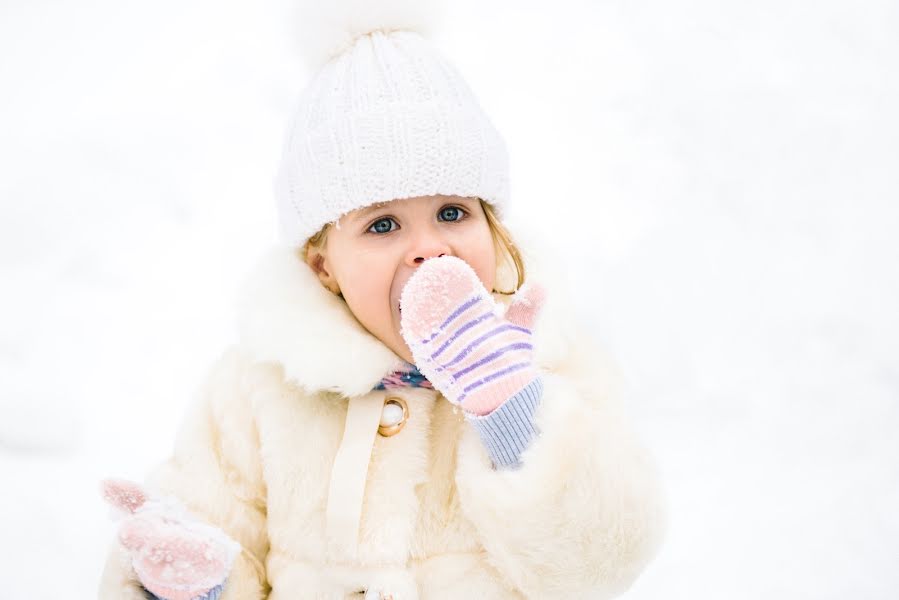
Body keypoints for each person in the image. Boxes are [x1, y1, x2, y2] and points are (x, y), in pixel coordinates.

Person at [98, 7, 666, 600]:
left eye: (453, 213)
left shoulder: (555, 365)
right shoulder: (257, 387)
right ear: (324, 266)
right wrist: (193, 581)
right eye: (383, 225)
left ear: (493, 227)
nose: (427, 248)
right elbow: (218, 530)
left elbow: (603, 564)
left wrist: (514, 416)